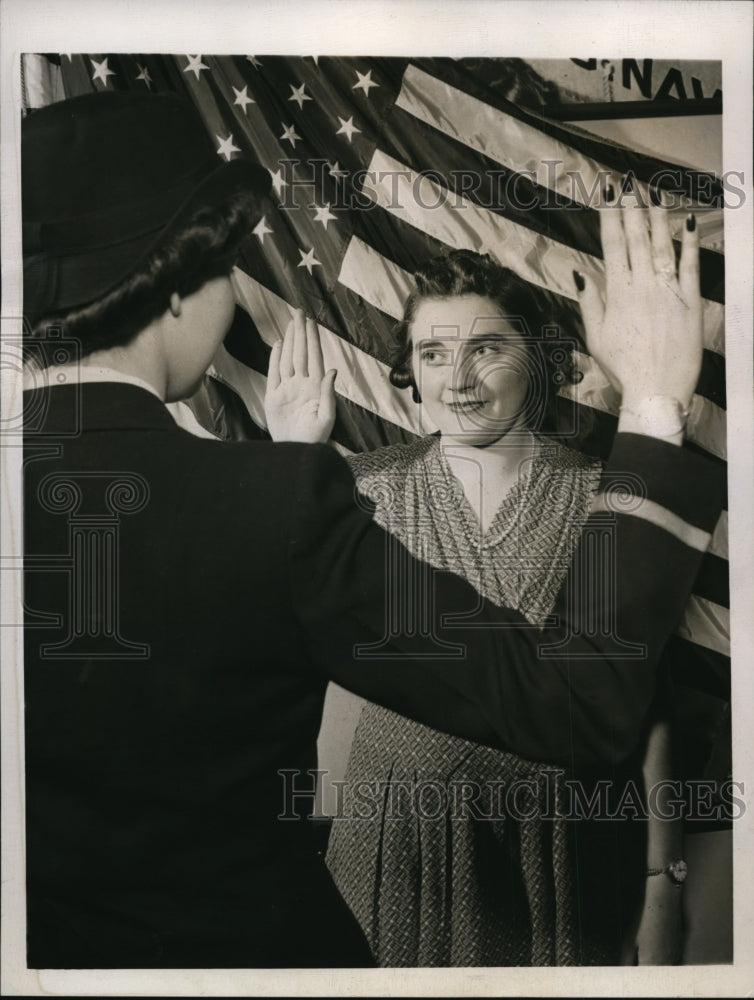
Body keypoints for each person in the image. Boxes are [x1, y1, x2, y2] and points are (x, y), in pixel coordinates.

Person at [21, 89, 722, 969]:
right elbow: (578, 700)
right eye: (227, 266)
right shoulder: (285, 501)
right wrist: (653, 403)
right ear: (173, 290)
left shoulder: (280, 493)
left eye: (484, 349)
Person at [266, 249, 687, 966]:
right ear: (410, 371)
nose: (457, 379)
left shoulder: (608, 498)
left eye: (486, 348)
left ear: (539, 362)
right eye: (432, 353)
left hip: (557, 845)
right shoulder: (360, 489)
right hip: (393, 839)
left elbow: (650, 709)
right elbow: (268, 659)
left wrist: (663, 887)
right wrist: (291, 468)